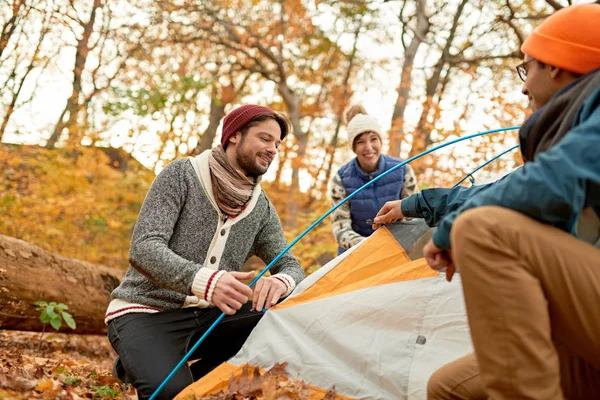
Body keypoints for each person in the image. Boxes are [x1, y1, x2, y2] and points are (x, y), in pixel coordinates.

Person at [374, 4, 600, 398]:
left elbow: (548, 183)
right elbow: (502, 191)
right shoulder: (574, 134)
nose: (523, 86)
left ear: (557, 65)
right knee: (447, 388)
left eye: (525, 68)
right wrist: (414, 206)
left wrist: (451, 231)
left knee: (481, 229)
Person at [105, 105, 306, 399]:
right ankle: (147, 360)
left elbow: (291, 264)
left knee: (284, 313)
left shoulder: (260, 207)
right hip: (146, 310)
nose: (272, 149)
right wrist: (206, 281)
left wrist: (280, 281)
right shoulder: (181, 175)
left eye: (277, 143)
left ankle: (173, 372)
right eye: (264, 139)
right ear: (234, 135)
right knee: (171, 393)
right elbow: (145, 248)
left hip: (210, 318)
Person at [328, 105, 419, 254]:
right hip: (354, 255)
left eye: (373, 139)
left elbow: (414, 216)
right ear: (353, 147)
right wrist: (368, 246)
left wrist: (398, 243)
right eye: (360, 142)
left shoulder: (403, 171)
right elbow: (340, 227)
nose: (369, 147)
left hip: (395, 251)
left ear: (380, 141)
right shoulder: (341, 179)